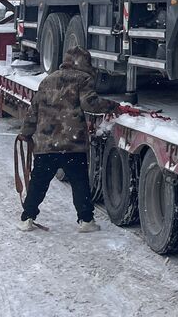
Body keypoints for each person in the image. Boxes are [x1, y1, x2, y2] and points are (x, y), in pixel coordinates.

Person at [17, 46, 119, 231]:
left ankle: (27, 218)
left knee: (38, 183)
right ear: (83, 62)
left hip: (47, 145)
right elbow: (90, 104)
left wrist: (26, 132)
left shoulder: (47, 80)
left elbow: (33, 111)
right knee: (79, 183)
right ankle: (86, 221)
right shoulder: (83, 79)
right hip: (73, 144)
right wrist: (113, 106)